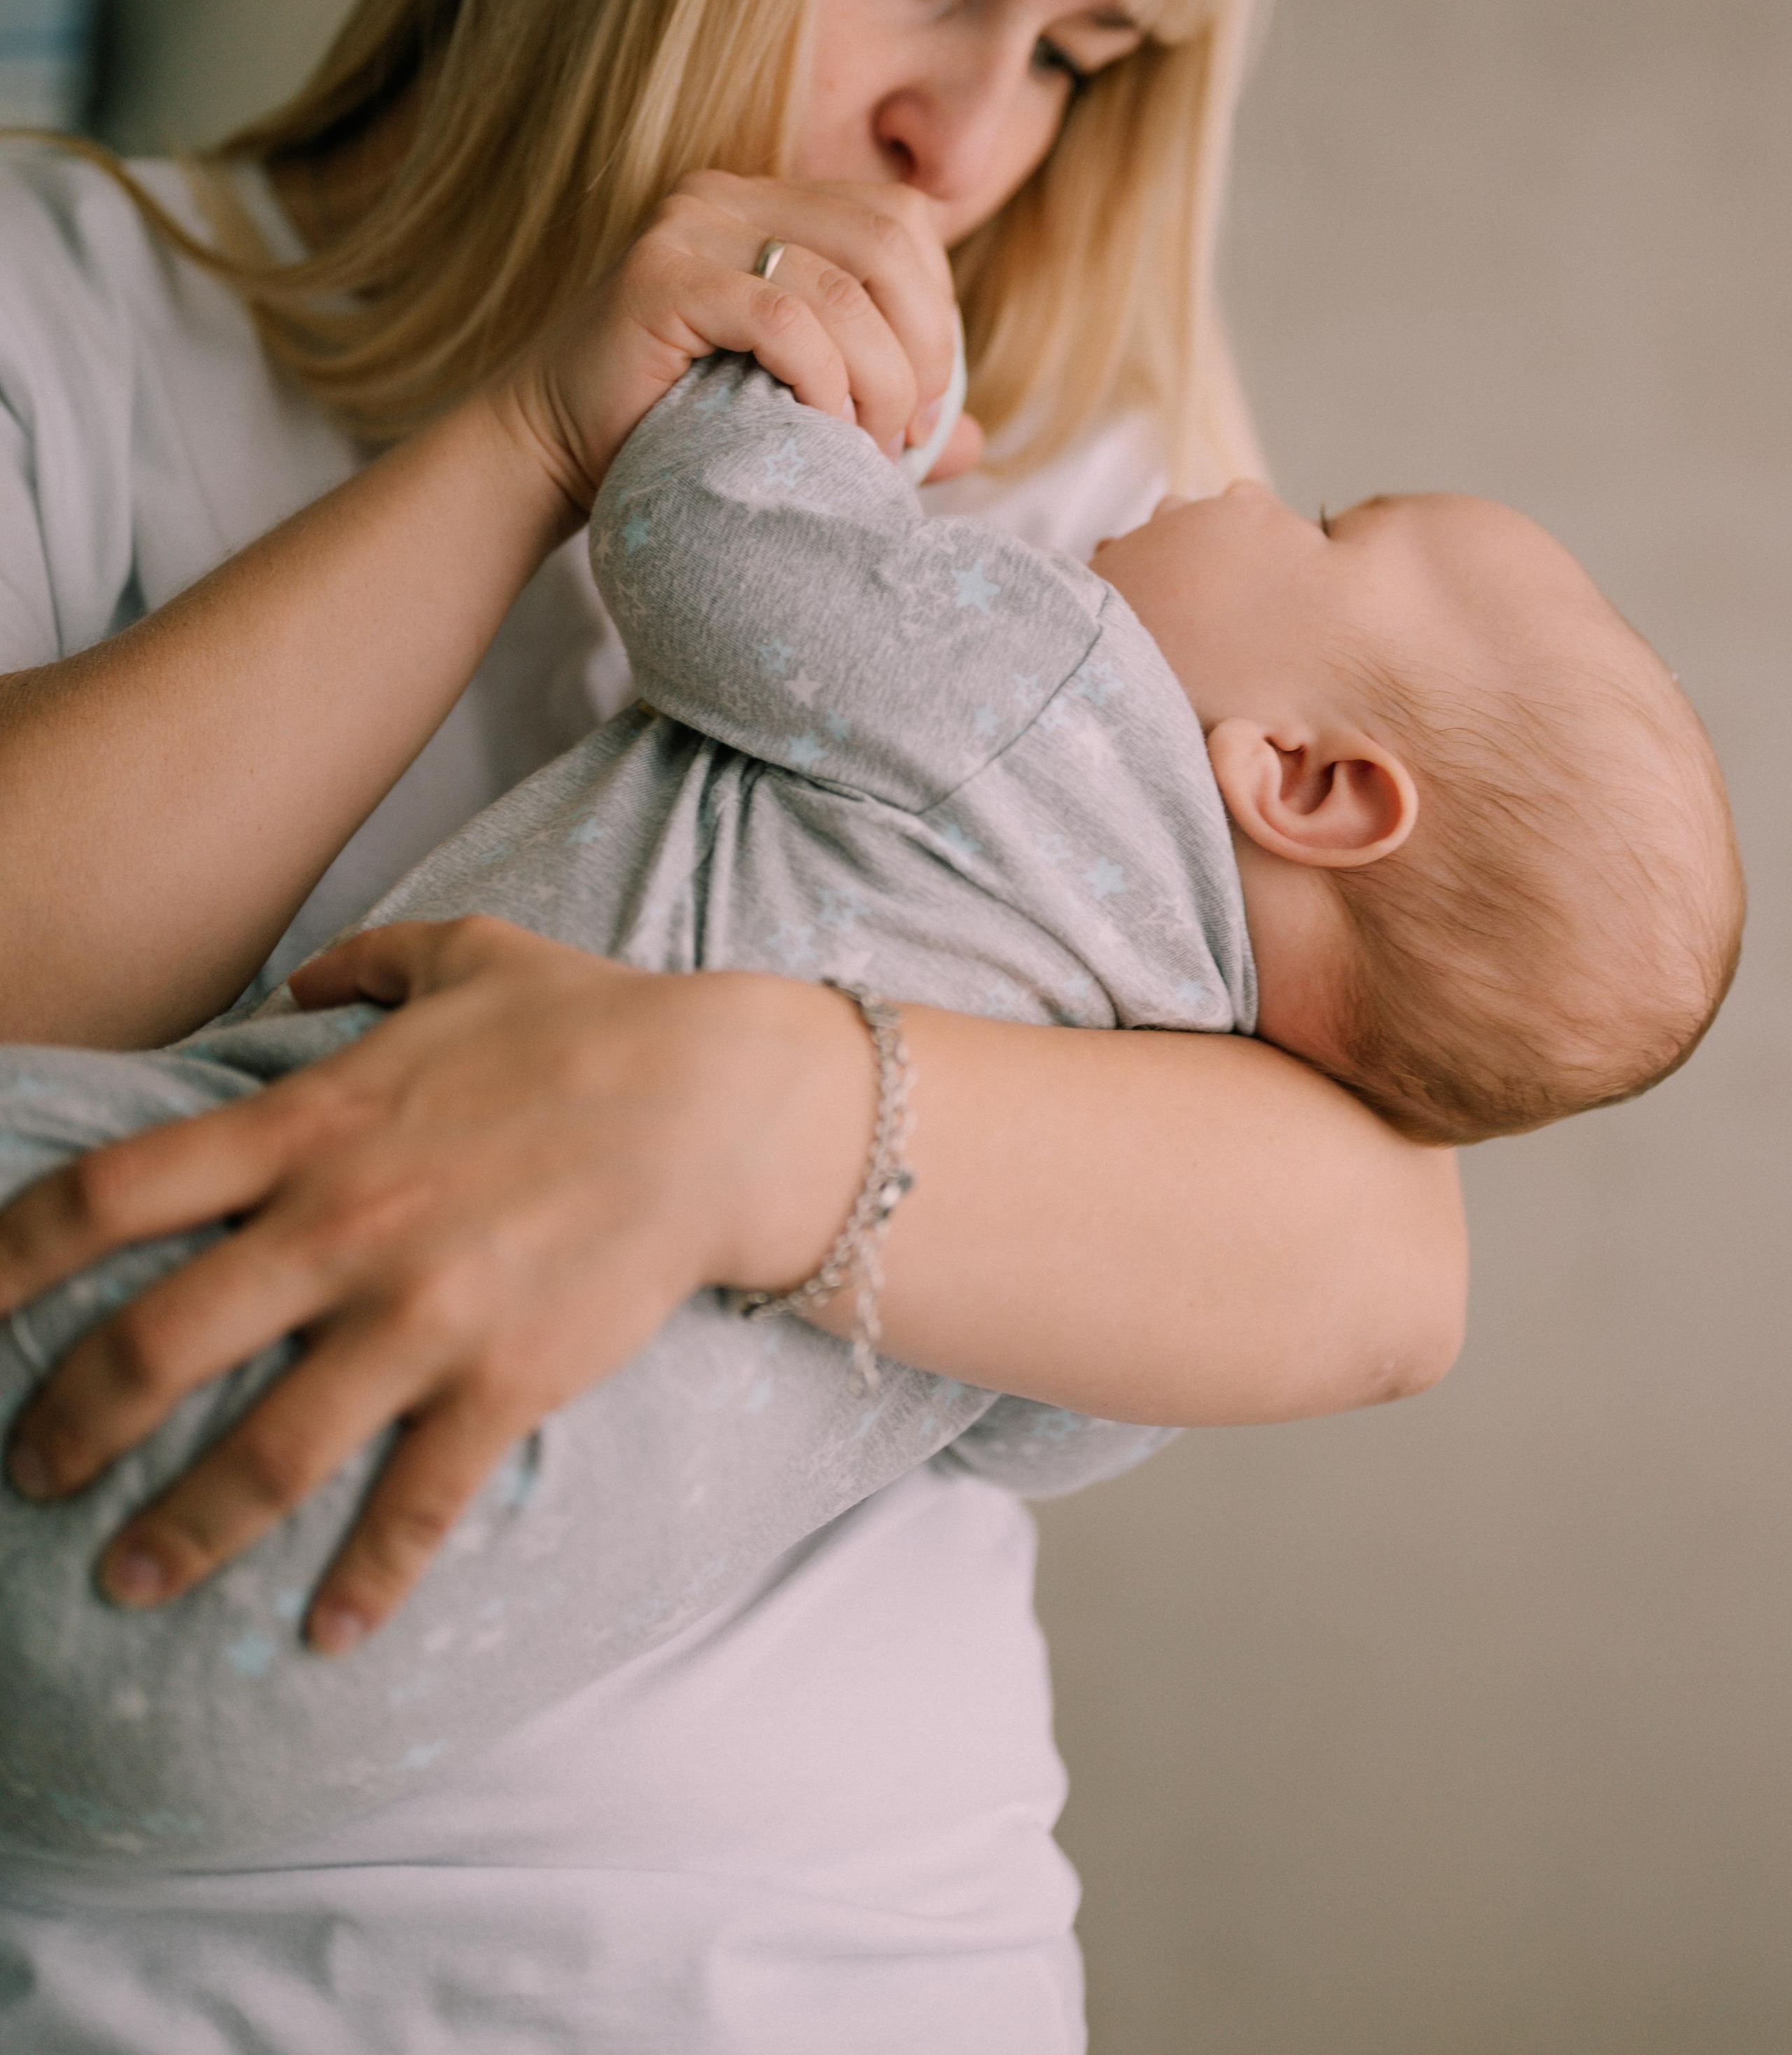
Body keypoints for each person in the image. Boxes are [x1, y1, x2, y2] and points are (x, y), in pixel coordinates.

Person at [0, 0, 1471, 2043]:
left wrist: (744, 1110)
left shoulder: (1078, 477)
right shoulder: (80, 303)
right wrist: (531, 440)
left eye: (1084, 53)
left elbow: (1381, 1260)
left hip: (847, 1971)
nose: (969, 137)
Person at [0, 347, 1741, 1879]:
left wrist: (782, 353)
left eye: (1325, 529)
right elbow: (1034, 1441)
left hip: (184, 1326)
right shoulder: (1136, 1158)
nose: (1236, 482)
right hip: (264, 1724)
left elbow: (707, 540)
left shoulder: (1053, 690)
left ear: (1300, 781)